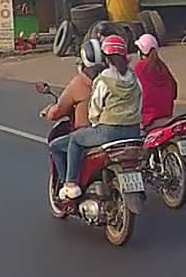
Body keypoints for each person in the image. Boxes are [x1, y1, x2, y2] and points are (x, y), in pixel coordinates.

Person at [59, 35, 144, 200]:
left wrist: (95, 124)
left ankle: (70, 184)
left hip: (109, 132)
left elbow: (95, 108)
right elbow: (140, 101)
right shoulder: (134, 78)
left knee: (75, 140)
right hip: (134, 132)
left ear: (106, 57)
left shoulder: (104, 79)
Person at [43, 38, 104, 182]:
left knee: (56, 146)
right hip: (116, 130)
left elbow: (58, 111)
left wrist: (49, 111)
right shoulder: (112, 78)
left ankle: (68, 184)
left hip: (92, 133)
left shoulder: (78, 84)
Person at [134, 33, 178, 129]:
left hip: (147, 120)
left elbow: (133, 93)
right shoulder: (162, 66)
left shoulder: (140, 67)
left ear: (141, 51)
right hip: (167, 117)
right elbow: (174, 91)